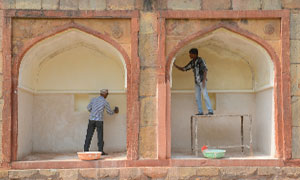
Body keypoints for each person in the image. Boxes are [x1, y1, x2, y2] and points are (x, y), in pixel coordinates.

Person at [174, 48, 214, 115]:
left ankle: (210, 110)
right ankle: (200, 111)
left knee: (205, 95)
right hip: (197, 82)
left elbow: (205, 70)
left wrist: (204, 80)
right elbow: (185, 68)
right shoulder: (192, 62)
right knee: (197, 97)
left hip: (202, 81)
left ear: (194, 54)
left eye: (190, 54)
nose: (189, 55)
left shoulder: (200, 60)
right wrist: (175, 66)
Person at [84, 89, 119, 155]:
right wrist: (114, 111)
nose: (107, 95)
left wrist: (93, 113)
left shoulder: (93, 99)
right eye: (107, 94)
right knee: (100, 136)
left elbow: (88, 108)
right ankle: (100, 151)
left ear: (100, 93)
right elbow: (109, 112)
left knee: (88, 135)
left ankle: (85, 150)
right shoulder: (105, 102)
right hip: (99, 121)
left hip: (91, 119)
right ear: (105, 94)